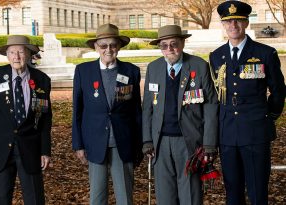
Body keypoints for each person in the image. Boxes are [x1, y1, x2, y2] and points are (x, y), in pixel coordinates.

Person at [210, 1, 285, 204]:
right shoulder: (216, 56)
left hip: (255, 131)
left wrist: (268, 117)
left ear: (246, 23)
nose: (233, 25)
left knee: (257, 190)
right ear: (223, 25)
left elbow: (278, 91)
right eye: (228, 21)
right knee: (232, 191)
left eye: (238, 20)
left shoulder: (265, 53)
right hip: (227, 133)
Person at [142, 25, 218, 205]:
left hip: (189, 142)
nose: (169, 49)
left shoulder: (199, 66)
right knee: (165, 197)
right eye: (164, 45)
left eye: (174, 44)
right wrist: (147, 140)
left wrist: (209, 144)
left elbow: (211, 106)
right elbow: (147, 108)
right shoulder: (154, 68)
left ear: (182, 43)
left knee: (190, 196)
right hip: (160, 143)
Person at [0, 35, 52, 205]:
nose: (16, 56)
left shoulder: (42, 80)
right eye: (12, 52)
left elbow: (45, 119)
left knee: (34, 199)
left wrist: (45, 150)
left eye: (21, 52)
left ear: (29, 54)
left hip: (30, 148)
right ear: (7, 55)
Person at [72, 23, 143, 205]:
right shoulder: (83, 71)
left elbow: (136, 111)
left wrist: (140, 144)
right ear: (96, 47)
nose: (108, 49)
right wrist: (78, 144)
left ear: (118, 46)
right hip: (94, 143)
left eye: (112, 45)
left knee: (125, 198)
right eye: (103, 46)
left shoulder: (131, 71)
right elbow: (77, 111)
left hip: (123, 143)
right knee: (97, 197)